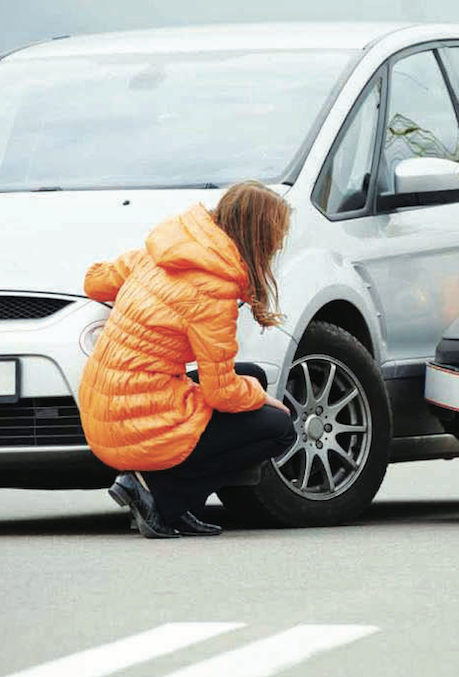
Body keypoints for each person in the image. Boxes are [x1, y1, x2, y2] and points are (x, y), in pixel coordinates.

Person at [78, 181, 297, 538]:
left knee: (251, 373)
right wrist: (260, 396)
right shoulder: (213, 291)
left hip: (103, 403)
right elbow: (221, 393)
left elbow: (94, 282)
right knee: (278, 428)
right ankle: (161, 496)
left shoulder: (167, 250)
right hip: (135, 421)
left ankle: (170, 499)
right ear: (260, 237)